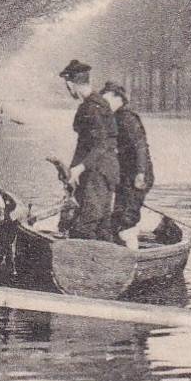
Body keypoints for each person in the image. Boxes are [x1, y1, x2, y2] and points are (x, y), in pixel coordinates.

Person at [58, 59, 121, 243]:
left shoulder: (92, 108)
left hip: (98, 174)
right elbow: (85, 143)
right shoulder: (97, 104)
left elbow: (100, 144)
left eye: (67, 85)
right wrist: (73, 170)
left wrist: (80, 168)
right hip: (102, 171)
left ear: (70, 84)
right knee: (102, 225)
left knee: (86, 226)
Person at [101, 82, 152, 249]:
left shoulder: (128, 118)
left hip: (137, 177)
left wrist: (141, 173)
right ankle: (120, 253)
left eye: (107, 99)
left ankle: (132, 260)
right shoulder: (114, 118)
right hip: (125, 177)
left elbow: (141, 146)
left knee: (126, 223)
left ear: (118, 98)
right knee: (117, 219)